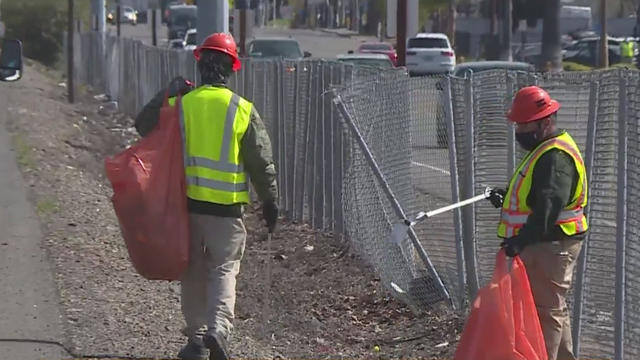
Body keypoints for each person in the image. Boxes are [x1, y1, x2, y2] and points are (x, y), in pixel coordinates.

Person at [135, 33, 279, 360]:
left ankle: (197, 339)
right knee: (224, 269)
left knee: (193, 271)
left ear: (200, 63)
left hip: (188, 208)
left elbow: (143, 125)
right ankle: (219, 330)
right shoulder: (242, 110)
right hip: (227, 211)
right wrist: (270, 201)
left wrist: (166, 94)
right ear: (231, 68)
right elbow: (261, 161)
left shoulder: (184, 103)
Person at [487, 86, 588, 360]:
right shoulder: (544, 149)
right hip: (546, 242)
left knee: (545, 312)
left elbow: (547, 208)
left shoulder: (555, 157)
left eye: (524, 125)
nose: (519, 131)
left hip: (551, 244)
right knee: (553, 309)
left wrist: (519, 242)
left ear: (546, 122)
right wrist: (506, 195)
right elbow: (534, 194)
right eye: (517, 124)